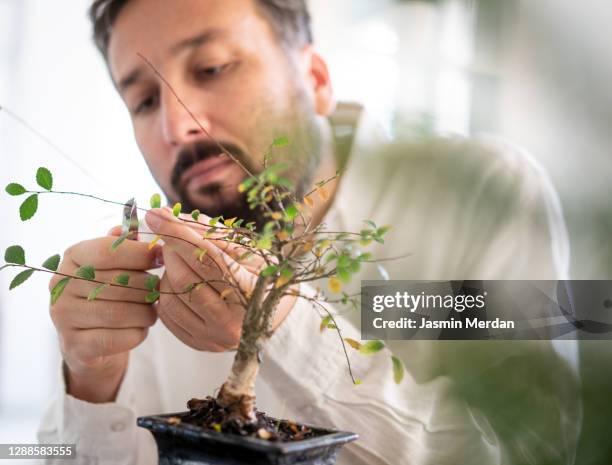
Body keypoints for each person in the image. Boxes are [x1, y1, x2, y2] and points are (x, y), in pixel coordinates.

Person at [37, 1, 580, 464]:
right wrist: (90, 385)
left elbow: (534, 447)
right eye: (144, 101)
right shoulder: (139, 279)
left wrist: (293, 330)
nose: (176, 127)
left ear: (316, 80)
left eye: (212, 68)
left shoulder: (482, 195)